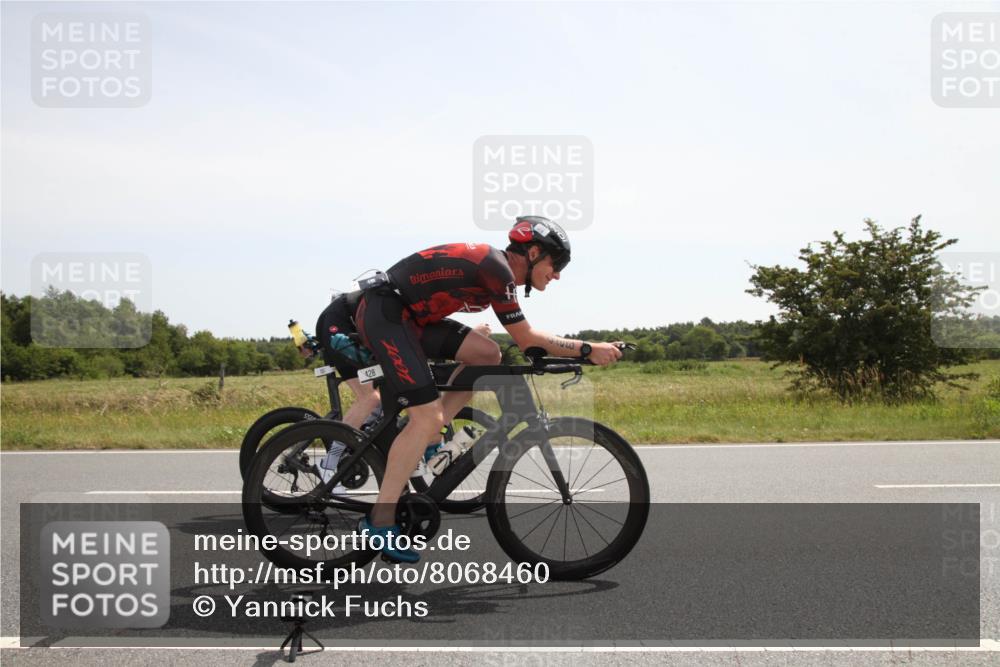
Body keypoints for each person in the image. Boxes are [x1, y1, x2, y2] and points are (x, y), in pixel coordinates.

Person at [325, 215, 623, 563]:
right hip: (386, 314)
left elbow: (514, 343)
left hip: (408, 317)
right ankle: (380, 520)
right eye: (556, 265)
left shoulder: (498, 271)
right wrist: (587, 348)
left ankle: (428, 431)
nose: (556, 275)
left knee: (486, 353)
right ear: (534, 252)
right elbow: (526, 339)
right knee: (426, 417)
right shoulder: (497, 268)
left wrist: (578, 353)